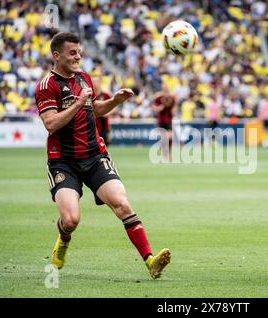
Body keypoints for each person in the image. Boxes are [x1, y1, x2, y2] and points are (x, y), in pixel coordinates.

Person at [34, 32, 170, 279]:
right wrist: (77, 103)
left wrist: (116, 101)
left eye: (79, 51)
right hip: (63, 162)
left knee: (122, 204)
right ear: (57, 55)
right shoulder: (47, 86)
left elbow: (95, 108)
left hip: (95, 156)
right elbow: (51, 124)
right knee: (71, 220)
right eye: (72, 53)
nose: (78, 56)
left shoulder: (85, 78)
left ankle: (150, 261)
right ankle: (63, 239)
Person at [151, 82, 177, 160]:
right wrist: (158, 108)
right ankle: (165, 153)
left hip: (169, 120)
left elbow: (174, 106)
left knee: (170, 137)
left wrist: (174, 111)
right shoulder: (158, 97)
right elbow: (153, 106)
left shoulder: (171, 97)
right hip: (161, 120)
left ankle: (169, 153)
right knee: (163, 138)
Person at [92, 76, 113, 145]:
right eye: (93, 82)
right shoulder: (89, 95)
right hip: (92, 128)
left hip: (103, 128)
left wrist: (106, 113)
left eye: (96, 82)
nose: (95, 84)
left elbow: (113, 107)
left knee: (105, 150)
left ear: (100, 83)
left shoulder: (105, 95)